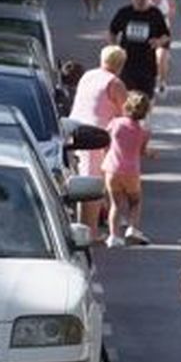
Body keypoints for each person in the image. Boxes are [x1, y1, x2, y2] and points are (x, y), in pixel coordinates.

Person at [70, 45, 129, 239]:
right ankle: (91, 232)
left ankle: (82, 227)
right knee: (92, 185)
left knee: (81, 182)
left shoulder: (88, 75)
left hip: (74, 130)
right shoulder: (115, 83)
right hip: (95, 137)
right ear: (120, 64)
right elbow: (126, 114)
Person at [103, 91, 155, 248]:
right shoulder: (144, 131)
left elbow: (105, 138)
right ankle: (132, 228)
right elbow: (142, 151)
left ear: (126, 106)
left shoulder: (116, 123)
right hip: (131, 171)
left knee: (115, 204)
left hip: (112, 169)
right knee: (135, 201)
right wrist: (151, 154)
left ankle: (113, 236)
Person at [109, 0, 172, 96]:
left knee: (146, 101)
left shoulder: (155, 14)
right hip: (127, 65)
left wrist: (158, 42)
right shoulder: (124, 13)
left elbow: (166, 36)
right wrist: (114, 49)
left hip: (147, 65)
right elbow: (112, 31)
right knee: (128, 101)